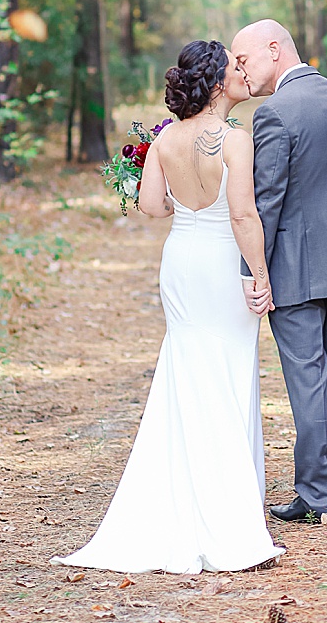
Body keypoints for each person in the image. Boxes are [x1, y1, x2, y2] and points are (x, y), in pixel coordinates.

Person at [51, 40, 284, 574]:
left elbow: (151, 206)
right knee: (227, 376)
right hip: (224, 265)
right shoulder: (234, 140)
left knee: (188, 373)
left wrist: (173, 190)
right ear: (218, 83)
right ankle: (228, 519)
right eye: (234, 68)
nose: (242, 73)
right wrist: (261, 278)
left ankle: (183, 504)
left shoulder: (164, 141)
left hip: (181, 262)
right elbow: (245, 217)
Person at [230, 19, 327, 523]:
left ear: (274, 50)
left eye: (244, 59)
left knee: (309, 380)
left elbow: (266, 204)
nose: (239, 71)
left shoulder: (275, 113)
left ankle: (317, 496)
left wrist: (254, 272)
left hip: (294, 273)